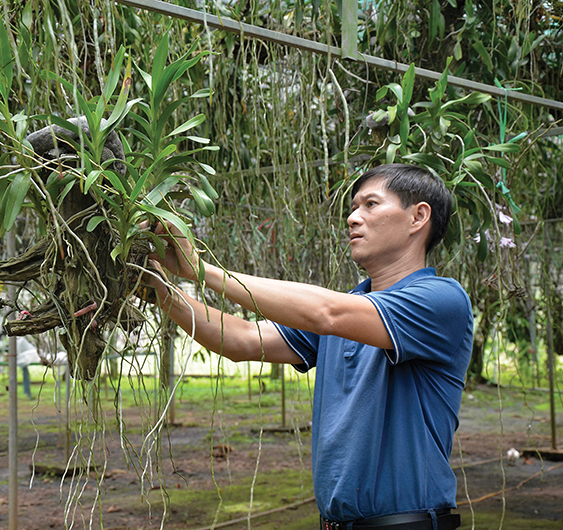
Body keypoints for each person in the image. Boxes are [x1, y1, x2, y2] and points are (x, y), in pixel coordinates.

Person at [145, 163, 473, 530]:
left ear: (418, 217)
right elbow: (242, 339)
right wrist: (159, 287)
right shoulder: (349, 310)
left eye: (370, 204)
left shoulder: (441, 301)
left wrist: (201, 269)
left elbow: (326, 313)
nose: (353, 218)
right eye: (353, 207)